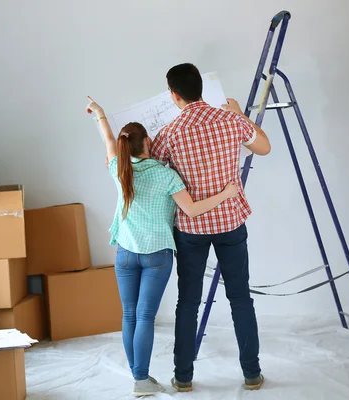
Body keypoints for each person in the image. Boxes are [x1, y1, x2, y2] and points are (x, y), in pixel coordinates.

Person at [86, 96, 240, 397]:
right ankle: (141, 381)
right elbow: (193, 209)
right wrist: (227, 193)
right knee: (144, 317)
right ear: (148, 143)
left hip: (125, 254)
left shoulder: (118, 167)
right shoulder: (166, 175)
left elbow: (107, 137)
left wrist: (99, 114)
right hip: (157, 256)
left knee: (129, 315)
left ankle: (138, 377)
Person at [150, 63, 272, 392]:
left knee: (188, 302)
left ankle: (185, 377)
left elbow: (152, 172)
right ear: (201, 87)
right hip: (231, 222)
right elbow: (264, 148)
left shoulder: (169, 133)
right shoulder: (231, 120)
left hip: (190, 227)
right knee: (241, 298)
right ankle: (251, 374)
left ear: (174, 95)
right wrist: (241, 114)